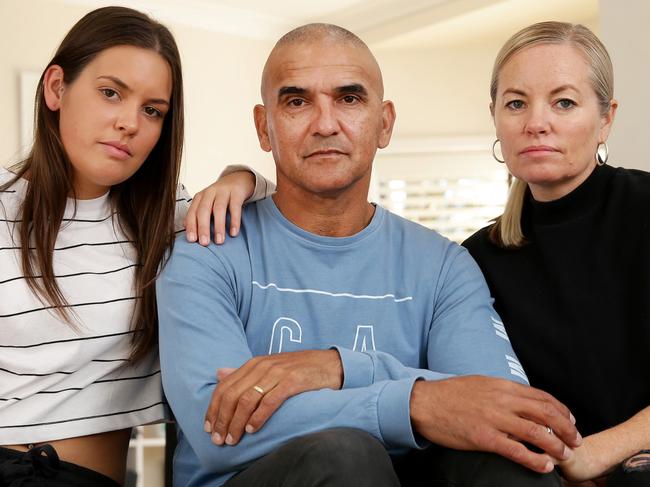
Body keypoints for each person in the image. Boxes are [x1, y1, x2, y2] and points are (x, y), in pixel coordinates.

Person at [158, 23, 581, 487]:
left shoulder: (442, 266)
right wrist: (414, 402)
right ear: (265, 127)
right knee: (344, 455)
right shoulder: (207, 249)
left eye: (349, 99)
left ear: (385, 123)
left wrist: (339, 369)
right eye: (297, 101)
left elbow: (499, 411)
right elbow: (219, 429)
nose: (325, 123)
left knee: (512, 461)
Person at [0, 6, 230, 486]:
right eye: (110, 93)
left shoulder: (170, 219)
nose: (130, 122)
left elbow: (293, 209)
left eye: (152, 110)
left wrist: (241, 177)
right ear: (56, 88)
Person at [458, 21, 650, 487]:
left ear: (606, 118)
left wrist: (596, 453)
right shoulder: (476, 259)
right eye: (516, 103)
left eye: (563, 102)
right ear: (495, 116)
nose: (535, 123)